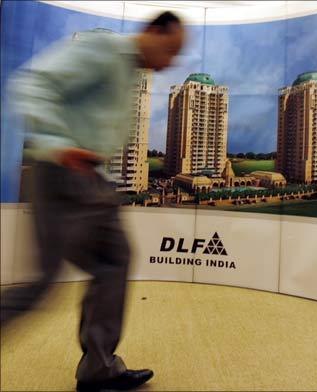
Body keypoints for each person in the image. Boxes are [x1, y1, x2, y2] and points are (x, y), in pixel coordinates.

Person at [1, 11, 185, 392]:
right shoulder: (104, 49)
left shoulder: (131, 72)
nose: (170, 62)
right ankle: (99, 367)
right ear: (152, 31)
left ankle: (99, 368)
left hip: (93, 180)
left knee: (115, 260)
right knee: (42, 285)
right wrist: (57, 145)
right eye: (170, 49)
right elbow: (33, 84)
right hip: (62, 174)